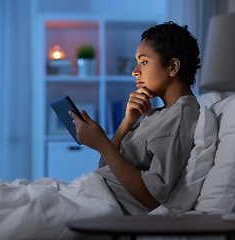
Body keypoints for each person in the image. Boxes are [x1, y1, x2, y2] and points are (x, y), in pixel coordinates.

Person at [69, 21, 201, 215]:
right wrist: (127, 121)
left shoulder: (180, 116)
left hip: (100, 203)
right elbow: (105, 166)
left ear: (173, 66)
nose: (135, 71)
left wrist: (102, 143)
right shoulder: (159, 114)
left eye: (144, 62)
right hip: (88, 193)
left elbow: (153, 198)